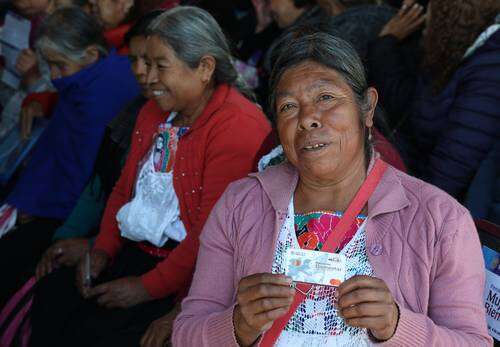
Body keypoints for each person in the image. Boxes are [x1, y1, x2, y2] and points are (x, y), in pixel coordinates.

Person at [173, 31, 492, 346]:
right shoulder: (239, 204)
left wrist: (396, 325)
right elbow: (185, 334)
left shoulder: (442, 220)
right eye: (288, 107)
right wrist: (239, 324)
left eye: (325, 98)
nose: (308, 119)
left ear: (366, 109)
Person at [30, 7, 273, 347]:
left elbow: (209, 236)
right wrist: (101, 249)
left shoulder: (237, 127)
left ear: (204, 67)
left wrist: (146, 289)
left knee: (98, 333)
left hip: (191, 275)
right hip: (139, 252)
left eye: (160, 65)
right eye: (143, 63)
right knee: (54, 298)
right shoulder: (154, 111)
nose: (147, 76)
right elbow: (123, 190)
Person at [0, 7, 139, 306]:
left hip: (68, 216)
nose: (54, 76)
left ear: (90, 54)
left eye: (59, 65)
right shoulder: (91, 76)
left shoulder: (95, 97)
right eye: (49, 66)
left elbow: (80, 170)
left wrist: (37, 205)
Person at [367, 0, 500, 200]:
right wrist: (386, 43)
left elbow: (447, 176)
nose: (425, 20)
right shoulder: (457, 53)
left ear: (447, 20)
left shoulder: (489, 73)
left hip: (428, 202)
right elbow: (410, 105)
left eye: (430, 12)